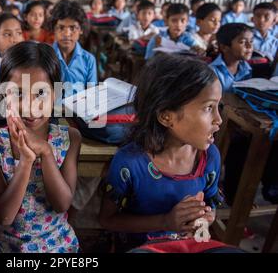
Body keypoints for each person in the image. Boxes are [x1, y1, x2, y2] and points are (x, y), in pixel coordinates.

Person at [98, 53, 241, 252]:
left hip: (188, 245)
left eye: (219, 106)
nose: (219, 119)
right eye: (209, 108)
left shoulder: (209, 157)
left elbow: (210, 204)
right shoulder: (130, 163)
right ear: (166, 117)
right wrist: (165, 221)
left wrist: (206, 216)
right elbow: (108, 220)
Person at [0, 41, 81, 253]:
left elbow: (62, 204)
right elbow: (4, 216)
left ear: (56, 94)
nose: (30, 106)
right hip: (4, 246)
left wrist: (45, 152)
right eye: (18, 93)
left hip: (56, 244)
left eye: (41, 93)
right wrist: (26, 161)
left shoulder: (69, 139)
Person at [49, 0, 97, 95]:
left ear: (81, 30)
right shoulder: (46, 56)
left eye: (73, 28)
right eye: (61, 27)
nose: (67, 34)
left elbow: (91, 94)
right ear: (53, 28)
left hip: (79, 109)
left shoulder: (88, 60)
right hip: (52, 108)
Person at [209, 23, 253, 92]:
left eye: (251, 41)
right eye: (242, 42)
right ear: (224, 47)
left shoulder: (247, 69)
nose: (249, 46)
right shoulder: (212, 72)